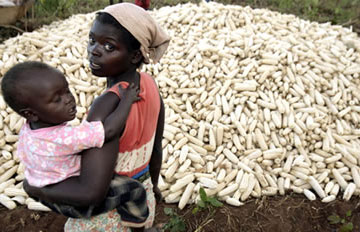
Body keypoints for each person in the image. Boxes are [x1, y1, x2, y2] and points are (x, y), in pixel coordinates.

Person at [24, 3, 170, 232]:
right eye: (92, 40)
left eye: (109, 46)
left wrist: (37, 189)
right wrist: (154, 187)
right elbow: (157, 148)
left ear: (134, 56)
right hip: (143, 205)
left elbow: (92, 192)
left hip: (113, 215)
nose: (94, 50)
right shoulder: (151, 86)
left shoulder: (105, 106)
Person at [1, 61, 152, 229]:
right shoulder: (65, 137)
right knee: (135, 190)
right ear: (31, 113)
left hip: (43, 186)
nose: (68, 100)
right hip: (76, 202)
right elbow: (109, 131)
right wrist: (126, 100)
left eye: (67, 91)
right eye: (57, 99)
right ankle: (138, 224)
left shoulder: (29, 131)